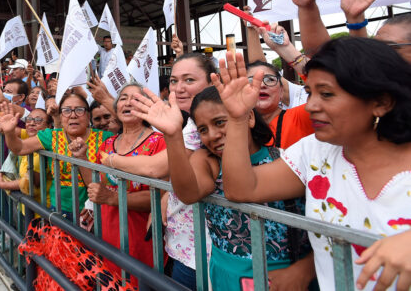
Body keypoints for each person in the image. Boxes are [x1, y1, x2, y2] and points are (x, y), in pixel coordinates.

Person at [216, 38, 411, 291]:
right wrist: (237, 118)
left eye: (327, 94)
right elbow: (241, 189)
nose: (310, 106)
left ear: (381, 102)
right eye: (309, 93)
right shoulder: (315, 152)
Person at [132, 85, 315, 289]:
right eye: (203, 129)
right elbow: (188, 193)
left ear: (249, 118)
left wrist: (304, 270)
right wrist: (173, 137)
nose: (212, 135)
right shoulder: (208, 160)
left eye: (220, 122)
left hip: (282, 279)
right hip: (224, 277)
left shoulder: (286, 161)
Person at [99, 53, 216, 289]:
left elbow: (156, 168)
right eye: (173, 81)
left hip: (207, 250)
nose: (179, 88)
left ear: (212, 82)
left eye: (189, 80)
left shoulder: (186, 130)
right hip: (179, 242)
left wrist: (111, 161)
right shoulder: (189, 125)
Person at [87, 82, 166, 287]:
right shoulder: (107, 144)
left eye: (137, 99)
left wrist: (113, 198)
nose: (128, 103)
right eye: (123, 98)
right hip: (108, 234)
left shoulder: (160, 143)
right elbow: (96, 188)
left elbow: (163, 197)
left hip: (141, 240)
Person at [0, 90, 113, 221]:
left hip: (94, 212)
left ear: (88, 116)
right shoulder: (52, 136)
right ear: (61, 116)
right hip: (59, 211)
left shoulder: (105, 138)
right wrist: (9, 132)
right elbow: (19, 148)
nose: (73, 115)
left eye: (79, 110)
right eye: (67, 110)